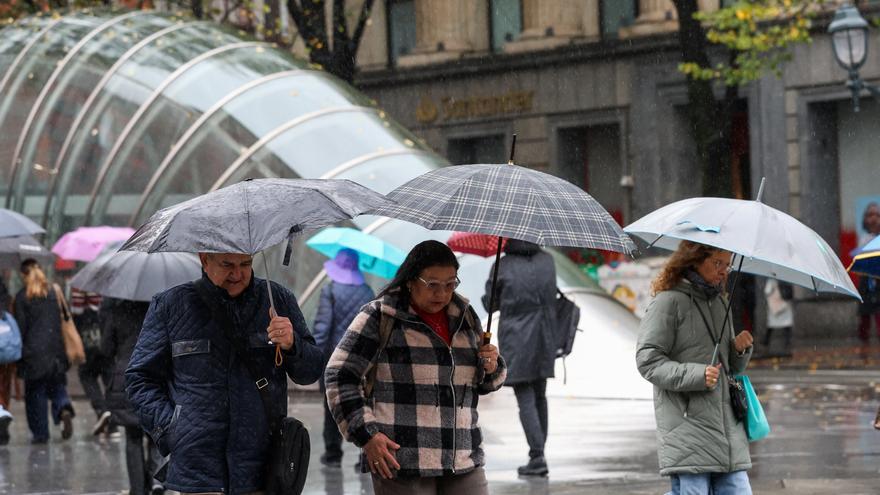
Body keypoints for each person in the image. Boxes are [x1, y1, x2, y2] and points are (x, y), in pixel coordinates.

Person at [125, 253, 324, 495]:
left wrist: (293, 345)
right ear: (205, 259)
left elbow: (310, 372)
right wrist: (170, 429)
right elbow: (139, 378)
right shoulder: (170, 305)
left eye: (245, 264)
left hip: (263, 469)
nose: (237, 274)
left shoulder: (278, 300)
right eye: (227, 265)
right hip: (198, 472)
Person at [325, 240, 506, 495]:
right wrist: (366, 435)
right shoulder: (381, 315)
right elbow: (340, 375)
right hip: (402, 461)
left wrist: (491, 365)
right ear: (411, 281)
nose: (442, 294)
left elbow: (485, 382)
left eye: (450, 284)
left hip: (463, 458)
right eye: (432, 284)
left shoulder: (465, 315)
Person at [635, 241, 754, 495]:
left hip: (727, 429)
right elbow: (648, 360)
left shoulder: (720, 303)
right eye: (717, 263)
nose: (723, 271)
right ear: (694, 260)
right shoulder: (667, 302)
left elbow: (729, 369)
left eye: (727, 265)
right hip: (687, 426)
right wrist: (697, 375)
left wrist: (739, 350)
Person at [481, 239, 557, 477]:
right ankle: (539, 454)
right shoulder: (548, 260)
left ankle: (537, 456)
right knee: (540, 395)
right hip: (545, 334)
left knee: (525, 396)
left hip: (517, 337)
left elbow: (490, 304)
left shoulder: (503, 265)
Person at [312, 249, 375, 468]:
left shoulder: (330, 290)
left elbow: (322, 328)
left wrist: (315, 358)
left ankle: (333, 454)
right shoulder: (368, 292)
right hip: (362, 360)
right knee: (363, 404)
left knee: (333, 404)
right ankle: (364, 455)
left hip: (334, 358)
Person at [101, 297, 164, 495]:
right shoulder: (158, 310)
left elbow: (106, 349)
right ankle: (156, 480)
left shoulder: (118, 312)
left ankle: (137, 489)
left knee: (133, 436)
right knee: (155, 432)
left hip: (126, 379)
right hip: (154, 376)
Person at [14, 259, 75, 444]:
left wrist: (19, 353)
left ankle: (41, 434)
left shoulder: (22, 297)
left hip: (33, 354)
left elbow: (21, 328)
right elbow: (63, 317)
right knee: (56, 385)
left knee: (36, 394)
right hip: (56, 350)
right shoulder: (53, 292)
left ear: (24, 275)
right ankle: (63, 407)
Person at [69, 287, 115, 436]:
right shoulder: (105, 286)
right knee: (109, 379)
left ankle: (101, 409)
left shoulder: (79, 286)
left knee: (86, 375)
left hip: (86, 342)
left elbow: (74, 315)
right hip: (104, 340)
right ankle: (112, 421)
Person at [857, 202, 880, 344]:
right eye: (870, 215)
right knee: (864, 316)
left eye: (877, 215)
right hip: (866, 281)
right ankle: (863, 344)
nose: (874, 218)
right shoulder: (864, 239)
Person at [0, 278, 17, 445]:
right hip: (6, 350)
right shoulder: (7, 299)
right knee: (4, 388)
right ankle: (3, 412)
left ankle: (1, 414)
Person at [762, 279, 793, 358]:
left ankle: (766, 343)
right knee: (785, 327)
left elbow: (767, 291)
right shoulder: (786, 279)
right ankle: (787, 344)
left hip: (776, 306)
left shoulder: (771, 280)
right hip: (783, 306)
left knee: (772, 327)